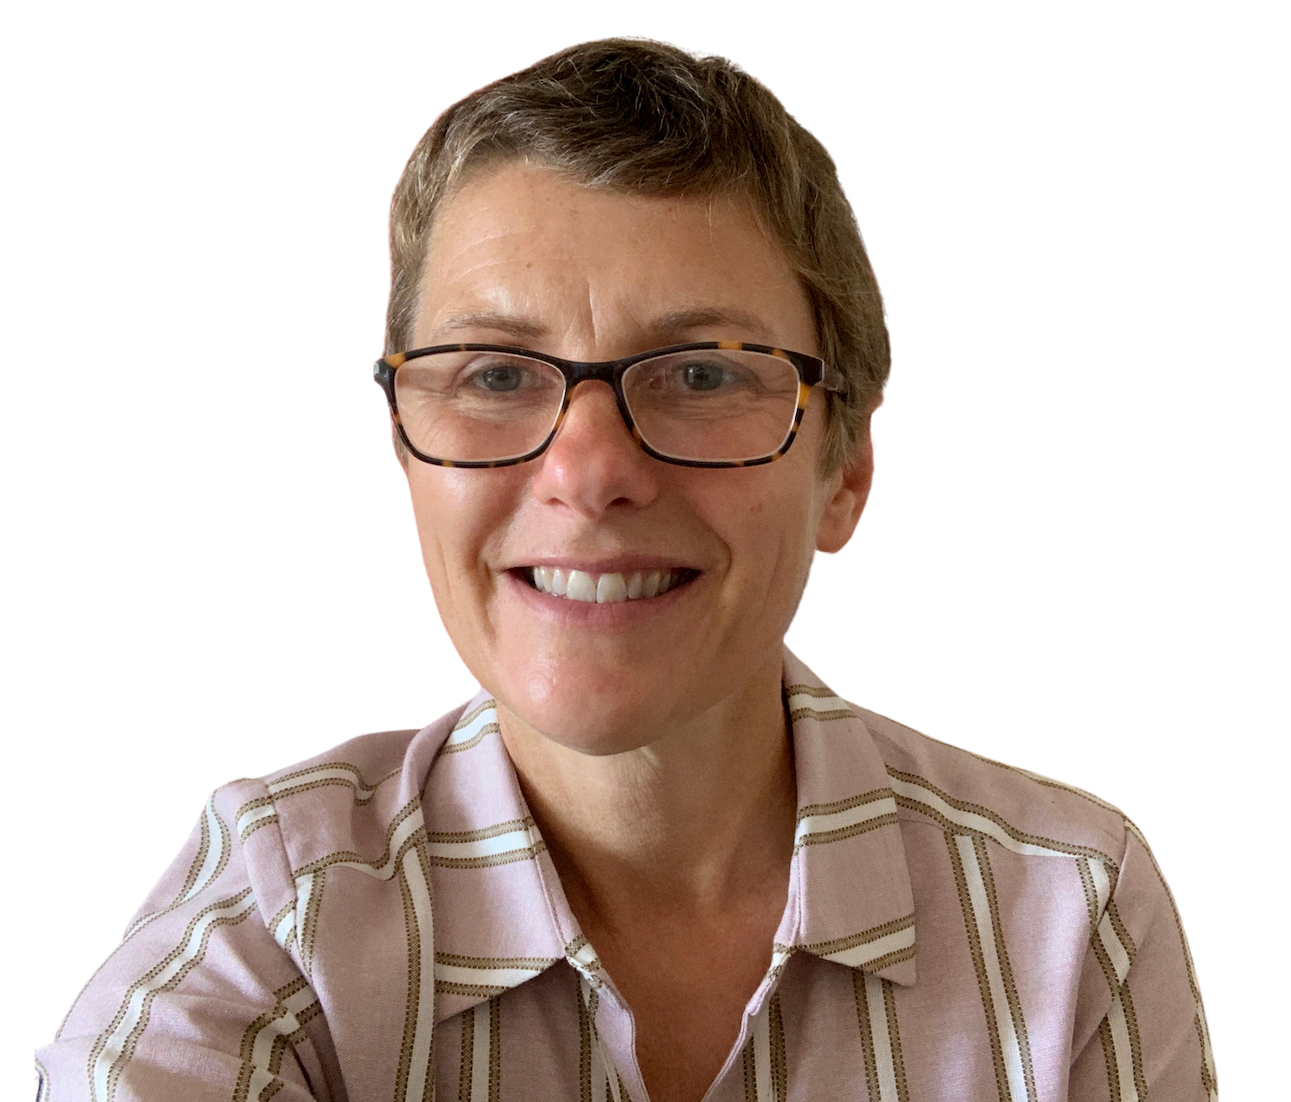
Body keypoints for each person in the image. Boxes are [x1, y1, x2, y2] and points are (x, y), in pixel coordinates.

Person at [33, 37, 1219, 1102]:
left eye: (701, 373)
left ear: (845, 475)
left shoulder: (1072, 909)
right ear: (404, 454)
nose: (588, 471)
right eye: (496, 374)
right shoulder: (275, 913)